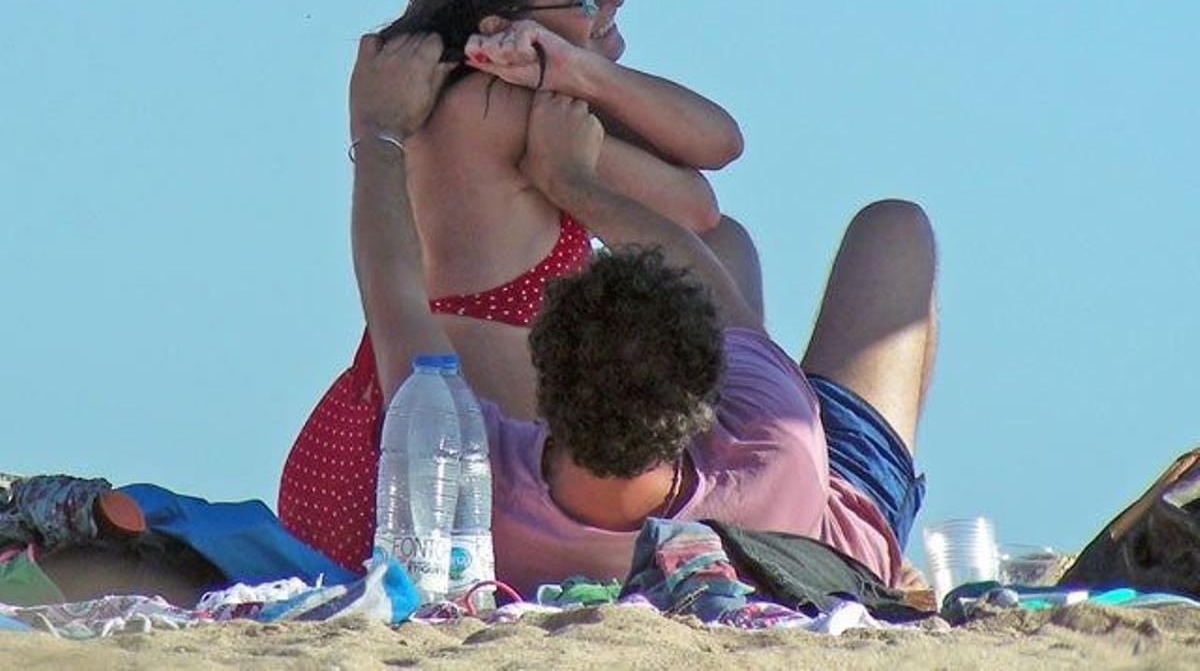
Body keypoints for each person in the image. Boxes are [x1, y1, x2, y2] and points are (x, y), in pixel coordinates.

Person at [282, 32, 936, 590]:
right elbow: (707, 277)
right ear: (705, 384)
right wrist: (575, 182)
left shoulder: (484, 485)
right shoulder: (776, 439)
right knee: (894, 228)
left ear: (544, 382)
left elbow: (392, 291)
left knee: (726, 243)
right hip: (823, 540)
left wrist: (373, 129)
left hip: (727, 518)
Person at [279, 0, 743, 565]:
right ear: (503, 28)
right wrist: (580, 79)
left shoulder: (475, 92)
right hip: (447, 472)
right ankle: (775, 469)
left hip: (390, 437)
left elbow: (712, 154)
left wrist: (577, 66)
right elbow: (700, 198)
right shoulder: (495, 108)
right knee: (731, 248)